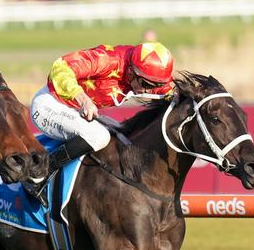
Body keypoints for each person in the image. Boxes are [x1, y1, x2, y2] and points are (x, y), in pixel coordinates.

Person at [30, 41, 175, 177]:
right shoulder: (107, 60)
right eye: (147, 84)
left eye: (155, 86)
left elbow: (170, 91)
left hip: (76, 113)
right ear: (131, 71)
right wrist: (83, 99)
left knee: (121, 134)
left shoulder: (145, 77)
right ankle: (41, 171)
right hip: (50, 104)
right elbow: (61, 67)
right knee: (99, 136)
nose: (150, 91)